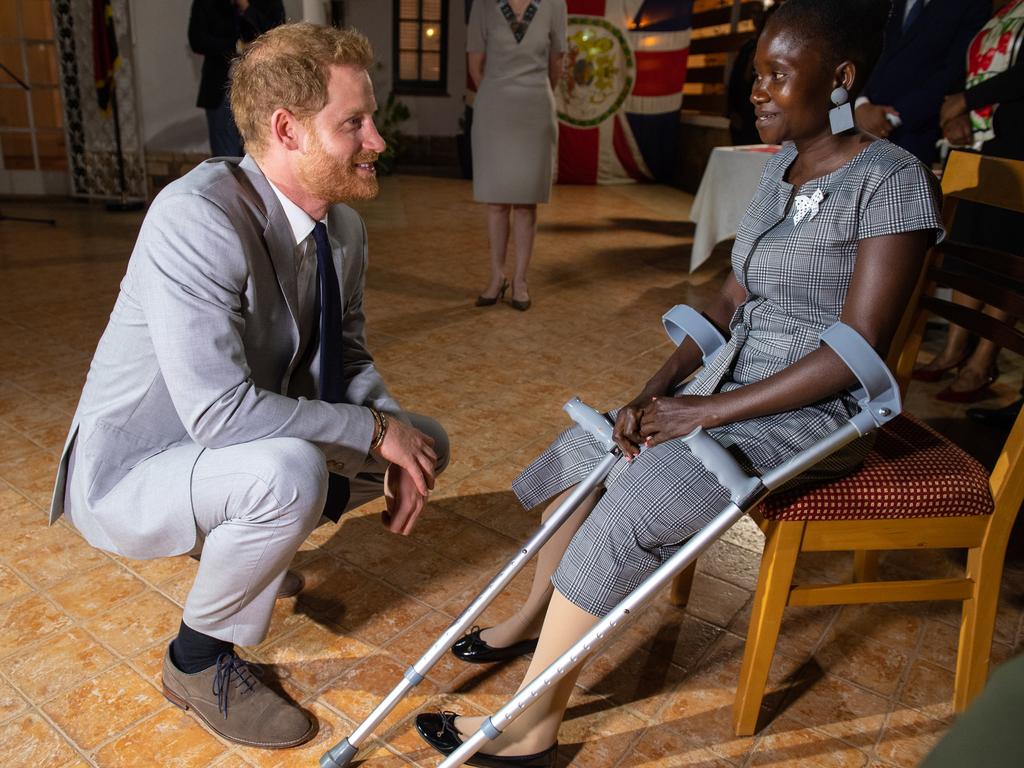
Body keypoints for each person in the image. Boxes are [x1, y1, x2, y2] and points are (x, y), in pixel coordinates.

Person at [414, 0, 943, 765]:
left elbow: (859, 348)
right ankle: (532, 616)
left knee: (638, 496)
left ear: (841, 77)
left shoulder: (891, 181)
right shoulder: (780, 169)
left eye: (776, 75)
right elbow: (731, 299)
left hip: (814, 411)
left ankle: (534, 723)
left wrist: (703, 412)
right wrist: (651, 392)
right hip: (731, 384)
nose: (755, 90)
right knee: (596, 446)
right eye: (755, 73)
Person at [49, 23, 449, 749]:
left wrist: (390, 426)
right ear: (288, 130)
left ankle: (245, 540)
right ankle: (195, 662)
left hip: (231, 445)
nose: (377, 141)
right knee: (289, 472)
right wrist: (369, 433)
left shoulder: (346, 230)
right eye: (353, 124)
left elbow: (347, 354)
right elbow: (219, 412)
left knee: (424, 443)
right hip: (141, 466)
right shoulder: (195, 220)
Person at [911, 0, 1024, 403]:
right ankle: (955, 348)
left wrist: (967, 99)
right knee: (967, 247)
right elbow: (966, 70)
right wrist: (954, 107)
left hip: (1018, 145)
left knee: (1007, 254)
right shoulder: (1000, 10)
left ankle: (983, 359)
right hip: (980, 141)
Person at [468, 0, 567, 311]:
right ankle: (497, 278)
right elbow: (475, 64)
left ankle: (521, 281)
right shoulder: (483, 5)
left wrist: (534, 94)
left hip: (536, 108)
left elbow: (557, 64)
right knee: (496, 201)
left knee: (525, 202)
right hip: (494, 108)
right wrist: (500, 95)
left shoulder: (554, 5)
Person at [854, 0, 989, 165]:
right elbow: (857, 50)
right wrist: (860, 103)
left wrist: (891, 118)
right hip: (856, 121)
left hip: (914, 132)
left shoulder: (972, 4)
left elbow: (955, 71)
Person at [188, 0, 285, 157]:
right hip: (220, 87)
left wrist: (246, 7)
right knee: (226, 156)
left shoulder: (269, 3)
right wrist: (235, 47)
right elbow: (197, 40)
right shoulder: (206, 3)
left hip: (263, 85)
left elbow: (278, 34)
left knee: (265, 149)